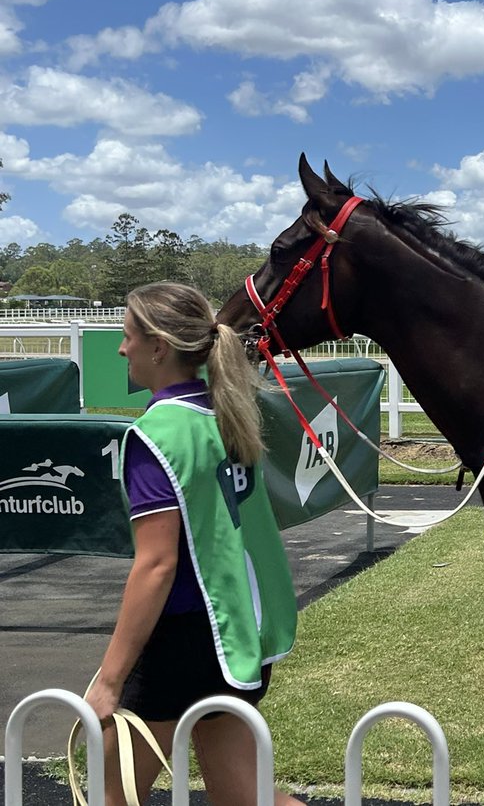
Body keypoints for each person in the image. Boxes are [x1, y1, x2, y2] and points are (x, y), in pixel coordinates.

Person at [84, 281, 301, 806]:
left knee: (111, 797)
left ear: (158, 346)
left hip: (181, 641)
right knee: (246, 798)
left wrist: (109, 679)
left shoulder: (157, 432)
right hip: (237, 632)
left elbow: (157, 566)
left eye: (127, 335)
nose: (120, 348)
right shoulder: (227, 415)